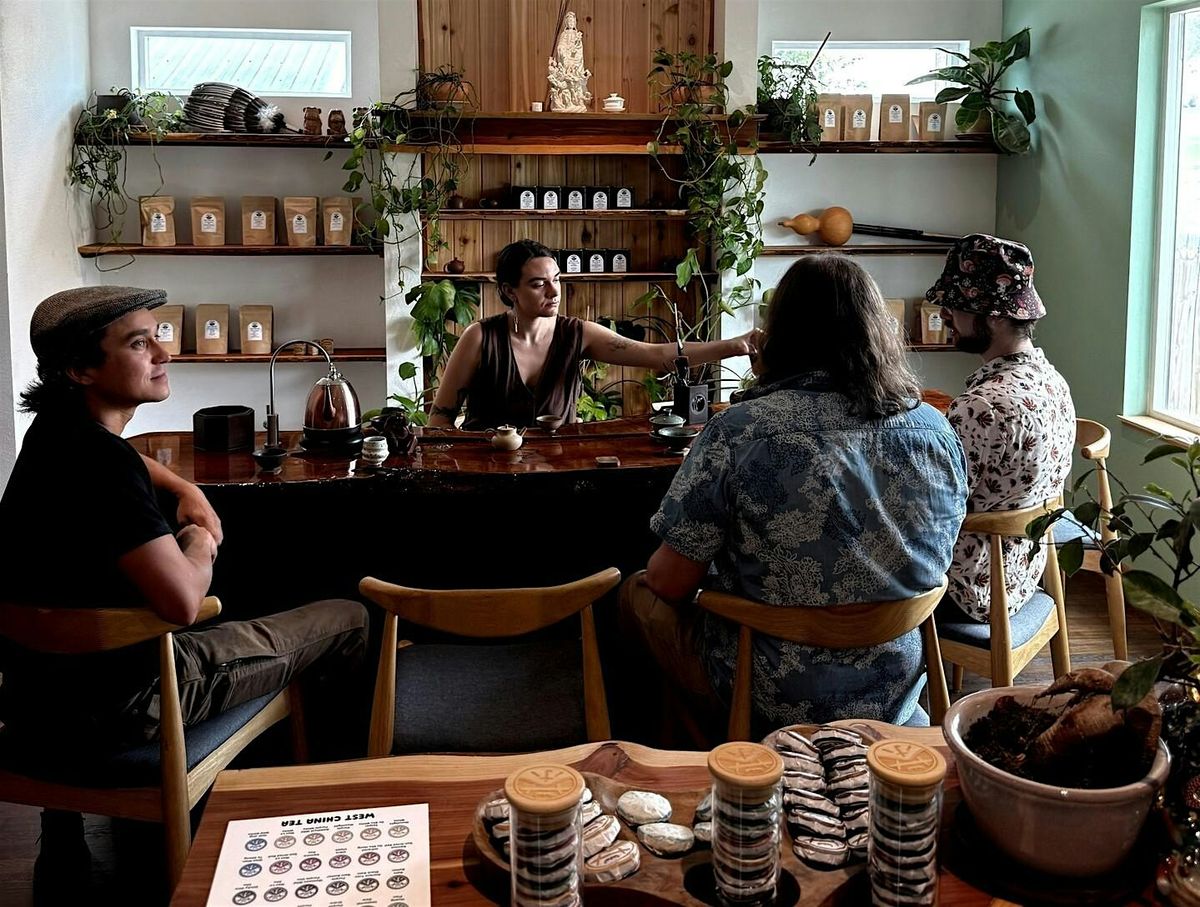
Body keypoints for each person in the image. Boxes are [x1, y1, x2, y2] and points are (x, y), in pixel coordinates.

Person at [0, 286, 369, 759]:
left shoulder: (53, 435)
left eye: (157, 337)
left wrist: (184, 488)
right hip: (130, 703)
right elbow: (183, 603)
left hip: (34, 704)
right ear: (80, 369)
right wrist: (199, 541)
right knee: (349, 618)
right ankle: (322, 780)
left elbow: (123, 461)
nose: (164, 354)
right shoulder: (106, 466)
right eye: (139, 344)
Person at [620, 255, 967, 733]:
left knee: (637, 593)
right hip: (897, 684)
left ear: (779, 333)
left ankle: (686, 744)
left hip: (770, 691)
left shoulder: (740, 431)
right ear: (878, 333)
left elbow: (668, 582)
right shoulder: (935, 429)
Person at [429, 239, 762, 430]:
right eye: (538, 284)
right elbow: (440, 419)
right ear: (509, 290)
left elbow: (657, 355)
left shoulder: (577, 333)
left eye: (557, 280)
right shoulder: (480, 338)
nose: (553, 292)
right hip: (488, 476)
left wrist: (736, 345)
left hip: (557, 472)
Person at [927, 233, 1076, 622]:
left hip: (968, 591)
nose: (945, 314)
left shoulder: (981, 407)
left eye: (956, 305)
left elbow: (932, 513)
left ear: (994, 315)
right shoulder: (1052, 381)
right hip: (1022, 577)